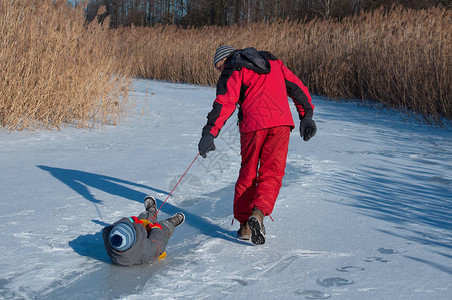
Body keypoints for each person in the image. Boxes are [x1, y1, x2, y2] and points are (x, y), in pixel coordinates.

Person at [198, 45, 316, 245]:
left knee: (249, 173)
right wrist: (306, 116)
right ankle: (258, 214)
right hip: (280, 123)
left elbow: (224, 103)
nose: (221, 71)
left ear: (226, 59)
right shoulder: (273, 63)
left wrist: (210, 132)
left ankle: (245, 225)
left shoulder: (234, 68)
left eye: (220, 67)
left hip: (253, 126)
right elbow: (297, 87)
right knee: (272, 172)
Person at [102, 195, 185, 266]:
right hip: (150, 251)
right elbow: (158, 244)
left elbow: (111, 228)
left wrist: (131, 220)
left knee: (143, 219)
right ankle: (171, 222)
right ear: (134, 237)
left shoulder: (110, 236)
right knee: (162, 229)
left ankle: (150, 212)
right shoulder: (145, 248)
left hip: (134, 242)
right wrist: (156, 229)